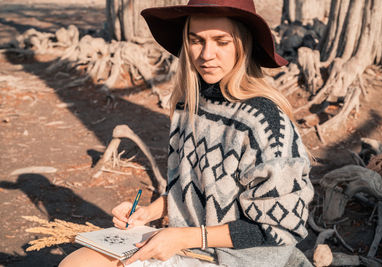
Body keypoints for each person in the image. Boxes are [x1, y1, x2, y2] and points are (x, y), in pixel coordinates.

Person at [59, 0, 314, 266]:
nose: (206, 54)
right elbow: (190, 193)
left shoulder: (264, 121)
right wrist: (146, 213)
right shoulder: (189, 106)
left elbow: (279, 228)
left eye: (221, 42)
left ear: (243, 43)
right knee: (77, 262)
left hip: (243, 258)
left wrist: (183, 238)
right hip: (192, 243)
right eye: (196, 40)